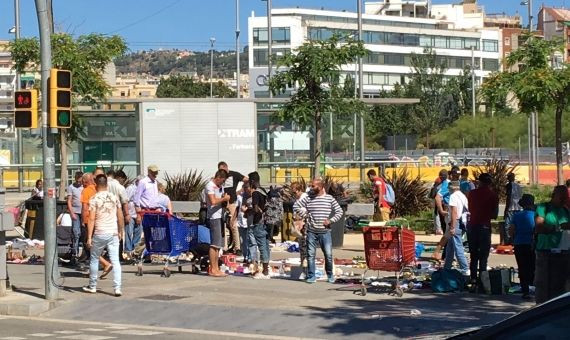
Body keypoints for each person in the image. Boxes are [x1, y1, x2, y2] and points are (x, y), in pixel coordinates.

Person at [294, 177, 343, 284]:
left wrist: (330, 220)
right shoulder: (309, 198)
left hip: (325, 231)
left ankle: (330, 274)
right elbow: (296, 206)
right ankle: (311, 275)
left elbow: (339, 212)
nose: (311, 188)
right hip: (311, 230)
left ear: (320, 187)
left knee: (328, 254)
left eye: (313, 186)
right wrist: (305, 215)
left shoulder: (329, 199)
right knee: (311, 254)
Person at [82, 174, 125, 297]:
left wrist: (89, 237)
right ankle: (117, 288)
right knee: (115, 260)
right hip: (113, 233)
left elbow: (91, 219)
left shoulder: (94, 199)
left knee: (94, 258)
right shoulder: (114, 197)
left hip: (100, 233)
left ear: (96, 184)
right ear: (107, 184)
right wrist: (121, 230)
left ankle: (93, 285)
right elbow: (120, 215)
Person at [534, 185, 570, 304]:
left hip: (563, 253)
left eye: (566, 198)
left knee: (559, 287)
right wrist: (558, 227)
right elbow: (539, 227)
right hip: (546, 252)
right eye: (562, 198)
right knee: (544, 286)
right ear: (554, 195)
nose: (564, 200)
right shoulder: (543, 207)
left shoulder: (565, 211)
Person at [467, 173, 499, 285]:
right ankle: (482, 279)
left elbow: (470, 208)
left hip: (472, 226)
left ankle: (473, 278)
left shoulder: (472, 193)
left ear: (479, 182)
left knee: (473, 255)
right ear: (490, 183)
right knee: (484, 256)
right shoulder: (493, 195)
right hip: (485, 226)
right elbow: (495, 214)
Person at [218, 161, 248, 255]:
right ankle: (225, 246)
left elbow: (246, 179)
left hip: (232, 202)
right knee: (224, 225)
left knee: (233, 224)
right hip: (222, 202)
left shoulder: (234, 174)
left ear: (226, 168)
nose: (221, 173)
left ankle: (237, 247)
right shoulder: (219, 177)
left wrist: (241, 191)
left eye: (222, 170)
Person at [509, 194, 536, 300]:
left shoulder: (517, 215)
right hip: (532, 244)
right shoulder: (535, 215)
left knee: (522, 266)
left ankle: (525, 290)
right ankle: (534, 287)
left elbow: (511, 231)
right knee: (533, 266)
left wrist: (513, 239)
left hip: (519, 243)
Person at [205, 169, 230, 277]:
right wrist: (223, 198)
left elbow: (221, 199)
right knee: (214, 244)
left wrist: (225, 200)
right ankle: (213, 268)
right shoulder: (209, 186)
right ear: (218, 177)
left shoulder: (220, 187)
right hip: (213, 217)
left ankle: (216, 267)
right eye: (222, 181)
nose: (222, 183)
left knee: (218, 245)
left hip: (220, 215)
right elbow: (213, 201)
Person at [248, 172, 272, 279]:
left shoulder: (255, 193)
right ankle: (267, 268)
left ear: (252, 181)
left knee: (261, 246)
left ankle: (265, 271)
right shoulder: (264, 191)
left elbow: (256, 208)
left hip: (259, 222)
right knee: (266, 245)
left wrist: (249, 212)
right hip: (267, 222)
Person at [443, 181, 469, 275]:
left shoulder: (453, 196)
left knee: (458, 247)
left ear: (452, 188)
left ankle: (465, 268)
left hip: (456, 222)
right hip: (462, 222)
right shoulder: (462, 196)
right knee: (450, 248)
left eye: (449, 188)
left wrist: (452, 226)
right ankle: (447, 268)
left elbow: (454, 211)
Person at [291, 181, 308, 280]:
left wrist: (301, 218)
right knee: (302, 248)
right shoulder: (297, 199)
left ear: (298, 190)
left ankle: (306, 270)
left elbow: (306, 211)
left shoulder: (304, 198)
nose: (294, 194)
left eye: (294, 192)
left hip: (304, 224)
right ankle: (303, 267)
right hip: (298, 224)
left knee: (306, 248)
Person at [124, 175, 143, 257]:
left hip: (138, 214)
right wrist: (127, 214)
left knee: (138, 232)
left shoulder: (141, 189)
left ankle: (135, 249)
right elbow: (126, 201)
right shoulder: (131, 188)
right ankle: (128, 250)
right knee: (129, 232)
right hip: (131, 214)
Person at [67, 171, 84, 259]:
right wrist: (72, 212)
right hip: (76, 212)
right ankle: (75, 252)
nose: (78, 183)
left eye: (80, 181)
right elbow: (69, 200)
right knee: (76, 232)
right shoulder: (71, 187)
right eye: (77, 181)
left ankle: (84, 253)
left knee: (83, 232)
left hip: (84, 212)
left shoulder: (84, 187)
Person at [504, 173, 523, 245]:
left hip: (511, 208)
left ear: (509, 178)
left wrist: (506, 209)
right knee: (517, 224)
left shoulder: (508, 186)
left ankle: (509, 240)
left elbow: (508, 198)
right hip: (518, 207)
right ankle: (515, 240)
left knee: (508, 225)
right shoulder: (518, 186)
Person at [236, 183, 251, 263]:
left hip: (249, 221)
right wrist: (233, 219)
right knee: (242, 240)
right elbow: (236, 208)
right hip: (241, 221)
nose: (245, 189)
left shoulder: (252, 197)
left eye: (247, 187)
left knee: (249, 240)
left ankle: (250, 257)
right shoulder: (240, 197)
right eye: (244, 188)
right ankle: (245, 256)